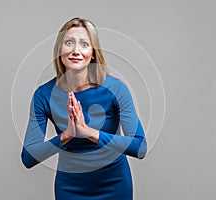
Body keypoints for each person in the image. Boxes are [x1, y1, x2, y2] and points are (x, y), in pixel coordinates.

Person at [21, 17, 147, 200]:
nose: (75, 51)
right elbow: (28, 157)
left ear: (93, 53)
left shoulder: (115, 89)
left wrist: (88, 132)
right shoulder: (43, 95)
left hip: (114, 183)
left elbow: (140, 147)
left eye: (84, 44)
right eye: (69, 43)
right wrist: (67, 136)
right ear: (59, 50)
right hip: (70, 186)